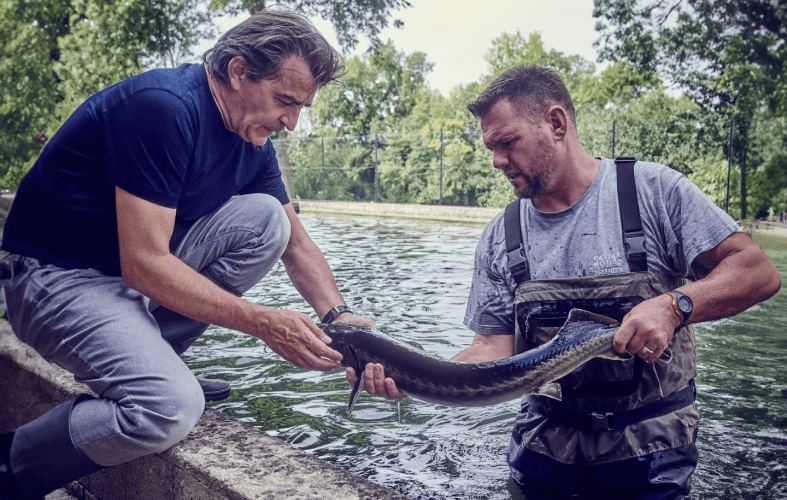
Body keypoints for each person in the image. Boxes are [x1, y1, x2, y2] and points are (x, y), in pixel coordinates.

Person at [348, 64, 781, 499]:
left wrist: (674, 305)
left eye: (507, 142)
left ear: (556, 123)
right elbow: (492, 350)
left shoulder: (653, 191)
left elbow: (756, 271)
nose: (497, 160)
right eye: (491, 148)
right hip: (544, 449)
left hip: (651, 452)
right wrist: (409, 374)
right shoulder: (503, 232)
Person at [0, 10, 371, 500]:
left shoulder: (250, 141)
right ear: (239, 71)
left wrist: (340, 320)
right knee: (168, 408)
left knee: (269, 220)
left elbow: (297, 244)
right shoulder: (164, 108)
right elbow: (146, 262)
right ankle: (12, 464)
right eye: (285, 100)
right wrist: (263, 322)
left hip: (124, 276)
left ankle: (156, 354)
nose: (292, 123)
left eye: (301, 107)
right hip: (54, 279)